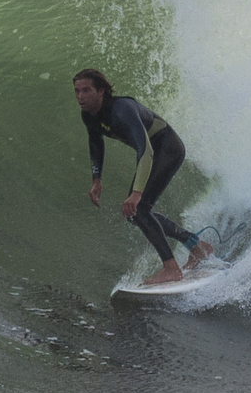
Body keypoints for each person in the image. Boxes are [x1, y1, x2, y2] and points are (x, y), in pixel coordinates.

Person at [73, 68, 214, 284]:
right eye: (77, 91)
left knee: (137, 208)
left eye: (86, 90)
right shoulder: (88, 116)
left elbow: (146, 151)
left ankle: (171, 268)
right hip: (154, 154)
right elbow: (96, 143)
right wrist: (97, 179)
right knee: (134, 214)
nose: (81, 96)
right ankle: (197, 246)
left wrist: (137, 193)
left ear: (101, 91)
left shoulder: (121, 109)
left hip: (168, 149)